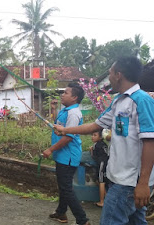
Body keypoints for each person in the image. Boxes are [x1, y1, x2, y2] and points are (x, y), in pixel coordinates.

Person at [54, 57, 154, 225]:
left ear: (119, 75)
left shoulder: (142, 101)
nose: (109, 78)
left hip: (129, 182)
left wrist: (143, 183)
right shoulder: (118, 101)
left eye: (110, 73)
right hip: (120, 179)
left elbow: (150, 142)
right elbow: (95, 125)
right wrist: (66, 130)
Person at [42, 83, 90, 225]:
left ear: (74, 97)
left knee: (66, 189)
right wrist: (54, 109)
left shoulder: (74, 114)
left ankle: (82, 219)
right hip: (62, 155)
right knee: (64, 186)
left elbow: (68, 137)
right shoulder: (66, 110)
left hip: (68, 156)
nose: (62, 94)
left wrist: (50, 149)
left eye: (66, 93)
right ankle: (61, 213)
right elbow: (59, 124)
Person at [90, 131, 109, 208]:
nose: (92, 137)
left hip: (102, 164)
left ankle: (102, 202)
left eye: (95, 135)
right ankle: (107, 199)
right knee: (99, 181)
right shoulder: (104, 144)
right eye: (92, 135)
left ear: (100, 137)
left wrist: (91, 150)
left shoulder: (96, 145)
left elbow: (93, 157)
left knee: (101, 182)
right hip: (108, 163)